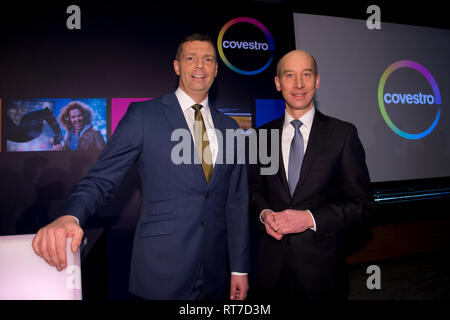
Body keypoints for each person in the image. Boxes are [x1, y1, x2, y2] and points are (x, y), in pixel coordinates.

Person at [32, 34, 250, 300]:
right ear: (177, 66)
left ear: (216, 69)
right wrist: (70, 215)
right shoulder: (143, 116)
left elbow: (236, 203)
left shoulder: (230, 128)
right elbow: (100, 179)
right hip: (161, 271)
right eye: (190, 58)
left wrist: (240, 269)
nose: (200, 66)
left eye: (208, 60)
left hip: (215, 274)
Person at [249, 50, 376, 300]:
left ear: (316, 81)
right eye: (290, 75)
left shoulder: (343, 134)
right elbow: (253, 191)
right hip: (269, 274)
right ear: (278, 83)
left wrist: (310, 218)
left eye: (306, 74)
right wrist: (264, 214)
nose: (298, 84)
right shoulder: (261, 136)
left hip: (324, 275)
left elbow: (364, 205)